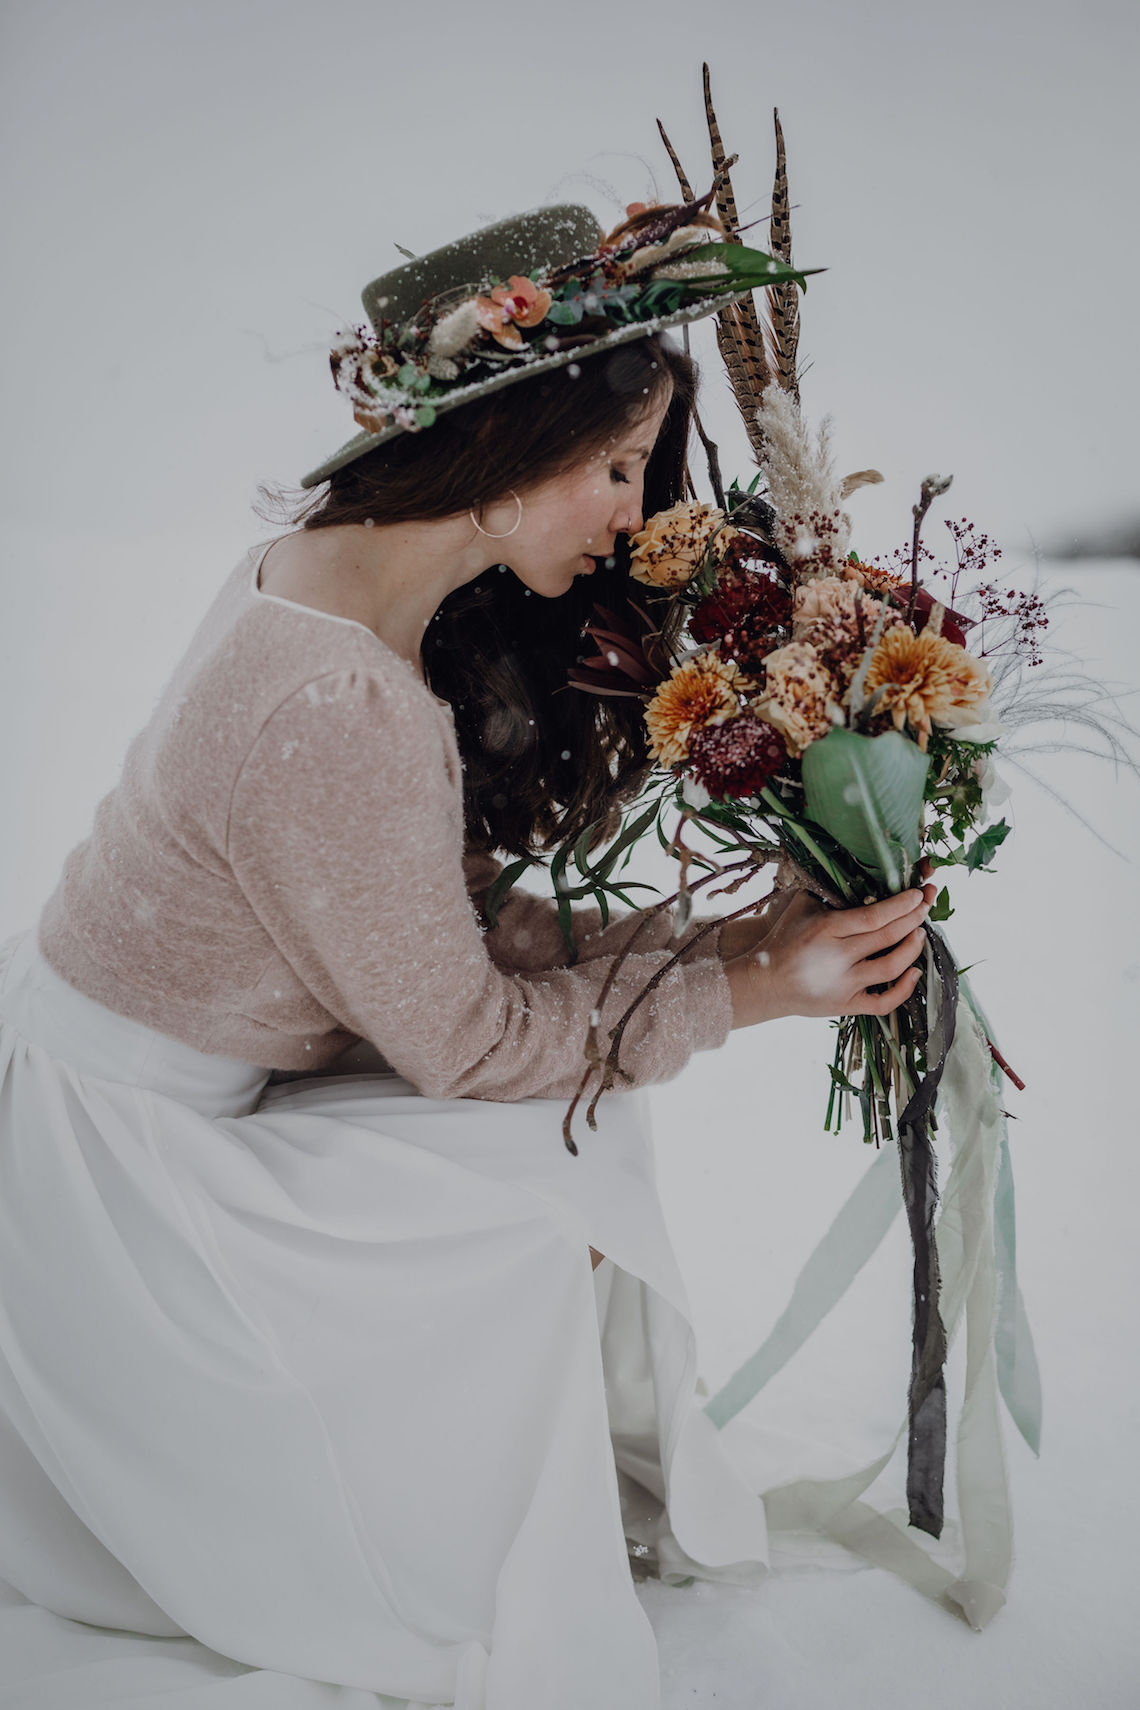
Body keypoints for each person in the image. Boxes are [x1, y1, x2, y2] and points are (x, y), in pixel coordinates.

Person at [0, 202, 934, 1710]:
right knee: (538, 1165)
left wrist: (716, 935)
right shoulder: (332, 701)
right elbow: (474, 1042)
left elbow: (428, 924)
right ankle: (419, 1528)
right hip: (129, 1183)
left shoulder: (326, 582)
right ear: (510, 438)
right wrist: (754, 991)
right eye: (618, 466)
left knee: (570, 1129)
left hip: (143, 1090)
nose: (637, 517)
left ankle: (497, 1464)